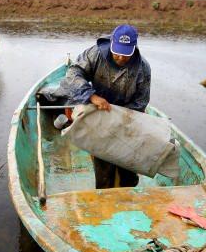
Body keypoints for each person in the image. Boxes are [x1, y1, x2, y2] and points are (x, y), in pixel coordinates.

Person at [62, 24, 151, 189]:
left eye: (126, 54)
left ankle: (129, 190)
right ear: (112, 43)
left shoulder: (143, 68)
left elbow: (141, 101)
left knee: (129, 168)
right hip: (97, 113)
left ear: (134, 48)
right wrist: (92, 96)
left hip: (126, 117)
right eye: (117, 52)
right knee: (104, 167)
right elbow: (72, 74)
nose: (121, 58)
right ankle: (104, 193)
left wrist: (120, 116)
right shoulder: (95, 54)